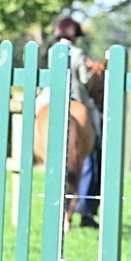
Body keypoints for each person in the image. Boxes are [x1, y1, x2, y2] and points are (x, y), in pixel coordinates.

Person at [50, 16, 103, 228]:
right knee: (94, 119)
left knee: (36, 110)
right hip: (77, 98)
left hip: (51, 96)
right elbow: (86, 79)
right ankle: (96, 141)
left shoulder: (52, 51)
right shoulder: (78, 53)